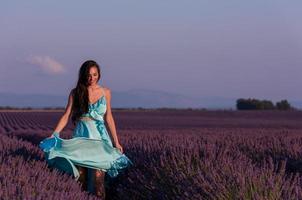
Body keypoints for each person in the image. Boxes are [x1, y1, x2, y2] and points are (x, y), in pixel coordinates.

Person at [39, 60, 133, 199]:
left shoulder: (106, 92)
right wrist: (54, 134)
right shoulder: (76, 92)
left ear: (99, 75)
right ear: (83, 75)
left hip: (99, 140)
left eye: (95, 75)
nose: (92, 78)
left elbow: (109, 118)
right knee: (80, 178)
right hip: (81, 138)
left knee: (98, 179)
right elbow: (66, 115)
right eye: (89, 75)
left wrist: (116, 142)